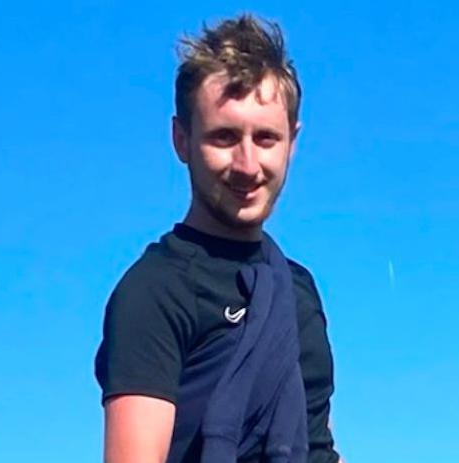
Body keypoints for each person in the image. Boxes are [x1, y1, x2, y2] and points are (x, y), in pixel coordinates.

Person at [95, 14, 341, 463]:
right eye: (224, 137)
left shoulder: (297, 290)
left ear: (293, 143)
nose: (248, 165)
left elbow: (318, 448)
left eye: (266, 138)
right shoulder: (156, 291)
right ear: (181, 140)